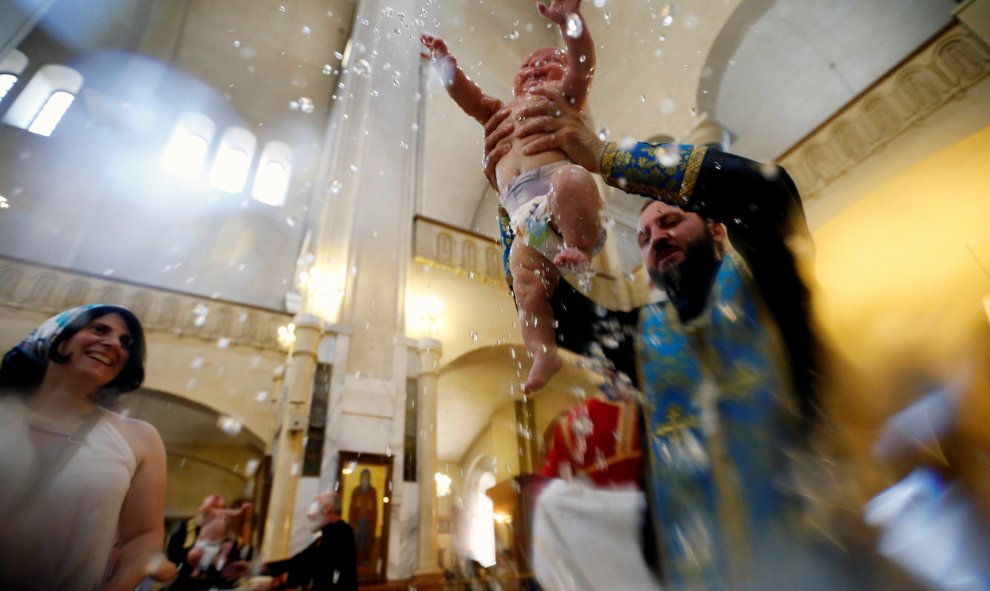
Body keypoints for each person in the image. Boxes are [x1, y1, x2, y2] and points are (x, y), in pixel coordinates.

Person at [483, 90, 874, 589]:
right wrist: (509, 194)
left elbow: (768, 193)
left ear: (716, 231)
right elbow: (556, 314)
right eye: (643, 237)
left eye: (670, 221)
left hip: (819, 562)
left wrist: (605, 157)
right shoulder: (644, 337)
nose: (655, 238)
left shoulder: (770, 289)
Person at [421, 0, 606, 392]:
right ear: (514, 83)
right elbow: (469, 96)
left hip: (565, 203)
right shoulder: (498, 113)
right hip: (529, 224)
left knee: (571, 179)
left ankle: (579, 250)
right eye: (527, 66)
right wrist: (445, 66)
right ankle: (543, 352)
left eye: (547, 61)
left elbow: (583, 63)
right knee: (525, 284)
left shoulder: (562, 102)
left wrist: (569, 23)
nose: (536, 67)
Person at [0, 304, 170, 591]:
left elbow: (144, 537)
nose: (114, 343)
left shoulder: (139, 438)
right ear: (57, 336)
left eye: (126, 342)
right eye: (99, 329)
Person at [263, 492, 357, 590]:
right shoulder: (325, 536)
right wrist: (265, 568)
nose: (310, 515)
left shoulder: (342, 533)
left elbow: (315, 567)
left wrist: (278, 581)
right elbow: (299, 561)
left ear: (327, 508)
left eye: (315, 505)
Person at [165, 494, 253, 590]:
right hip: (187, 584)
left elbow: (245, 559)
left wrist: (243, 567)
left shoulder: (232, 541)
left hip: (218, 585)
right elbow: (174, 561)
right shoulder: (185, 531)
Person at [348, 468, 378, 568]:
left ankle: (366, 560)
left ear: (369, 479)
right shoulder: (356, 491)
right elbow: (352, 509)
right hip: (358, 521)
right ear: (361, 478)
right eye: (363, 477)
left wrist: (373, 522)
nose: (365, 479)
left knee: (367, 540)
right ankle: (356, 560)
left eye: (367, 477)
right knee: (357, 540)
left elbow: (375, 509)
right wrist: (352, 523)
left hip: (368, 522)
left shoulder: (372, 491)